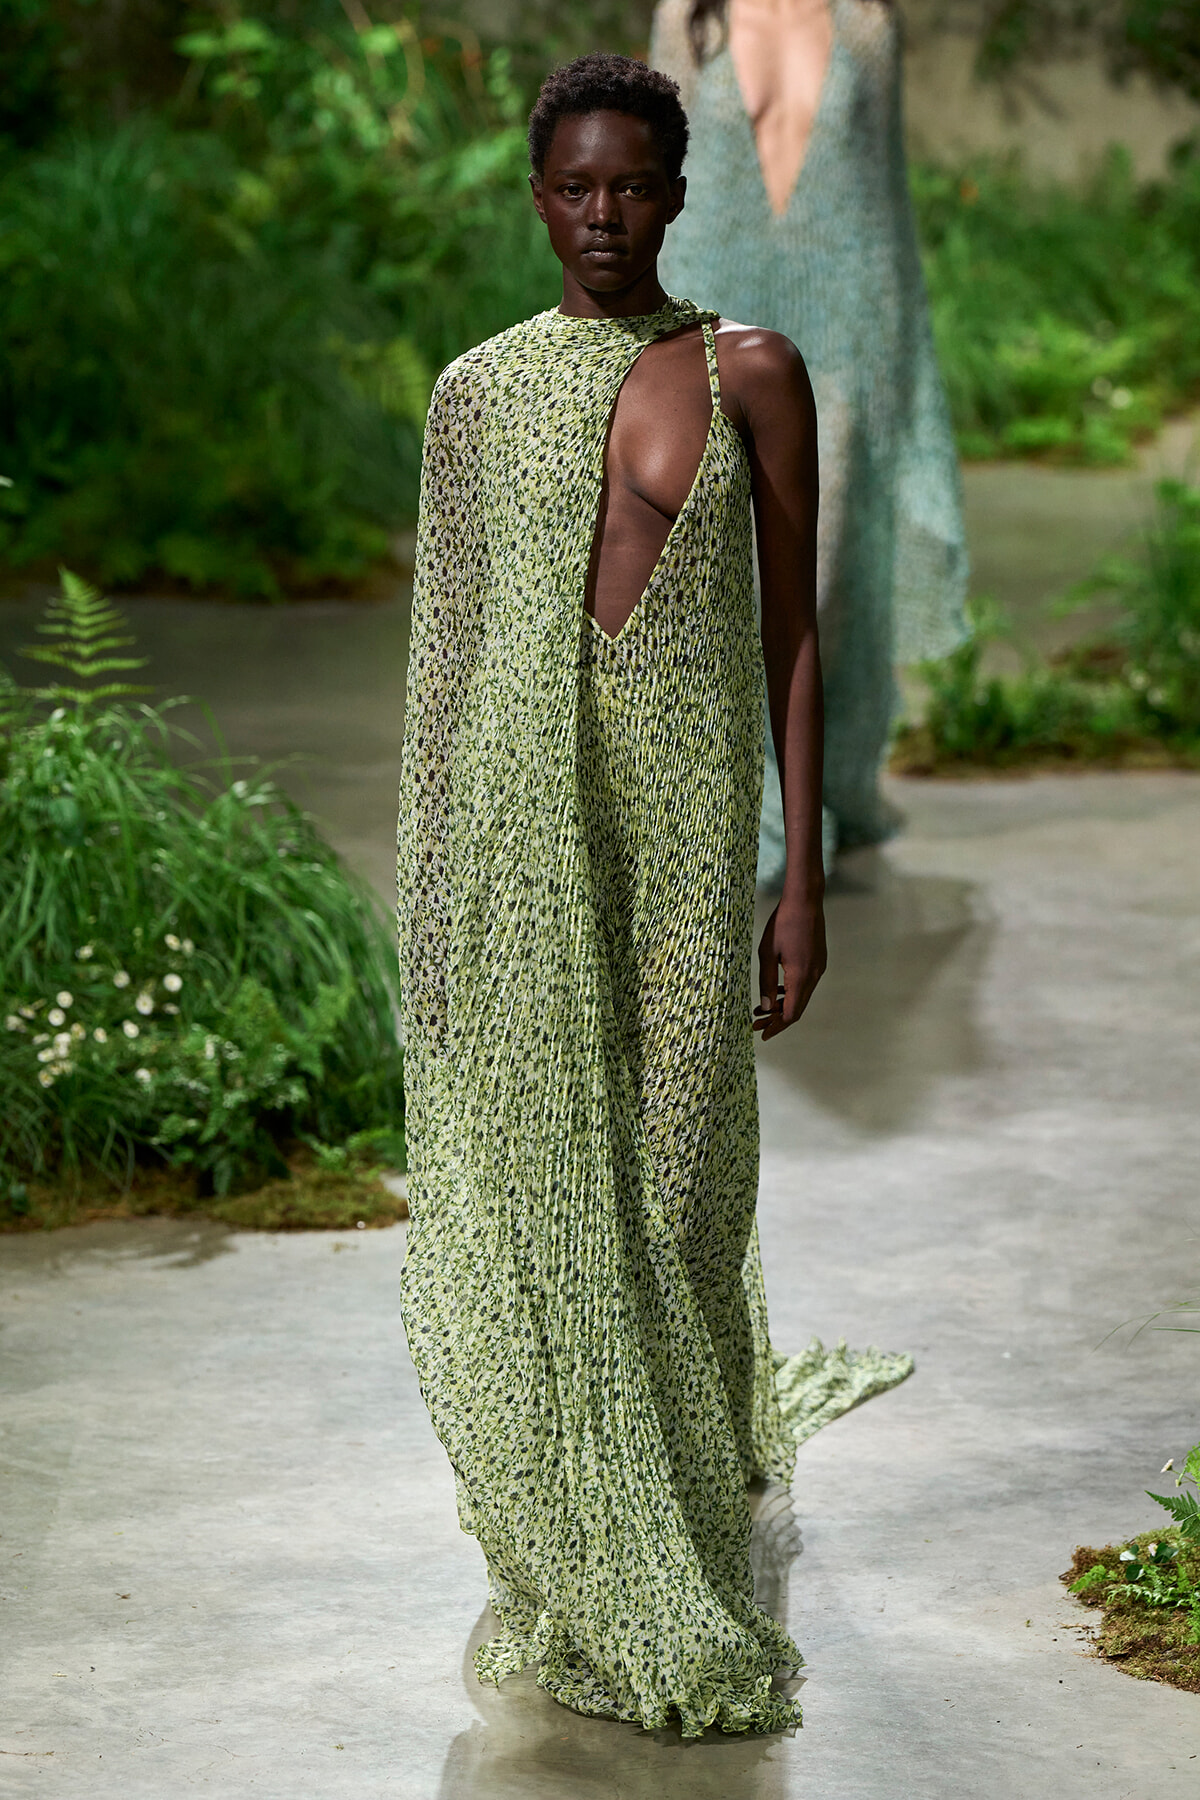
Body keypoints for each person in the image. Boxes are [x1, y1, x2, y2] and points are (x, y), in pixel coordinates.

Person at [396, 52, 908, 1738]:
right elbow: (447, 663)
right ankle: (584, 1532)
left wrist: (802, 879)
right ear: (539, 199)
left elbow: (795, 631)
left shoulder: (751, 371)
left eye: (630, 186)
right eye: (573, 188)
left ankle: (682, 1504)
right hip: (518, 831)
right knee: (544, 1179)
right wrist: (437, 904)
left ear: (678, 195)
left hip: (687, 833)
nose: (602, 216)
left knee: (683, 1177)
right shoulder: (479, 393)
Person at [652, 0, 968, 878]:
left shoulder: (866, 24)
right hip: (710, 324)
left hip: (841, 331)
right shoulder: (690, 20)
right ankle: (741, 800)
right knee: (713, 567)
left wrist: (899, 359)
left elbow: (884, 200)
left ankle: (799, 789)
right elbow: (656, 186)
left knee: (821, 570)